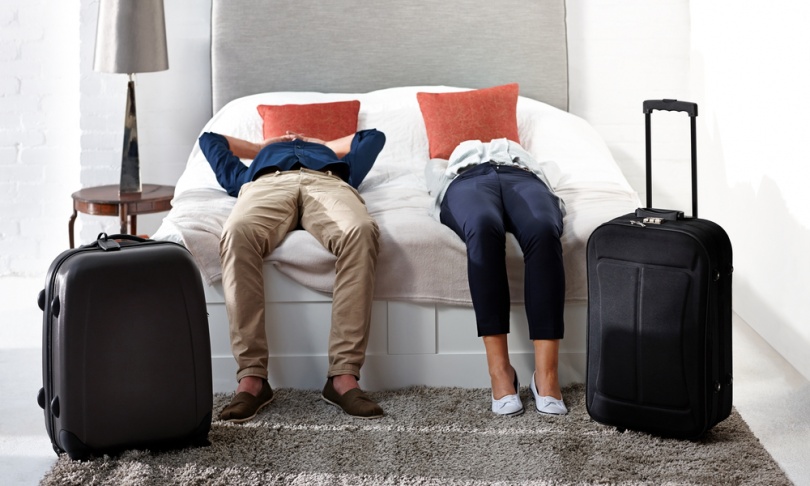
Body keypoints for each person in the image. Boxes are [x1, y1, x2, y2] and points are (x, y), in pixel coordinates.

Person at [198, 127, 386, 422]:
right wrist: (261, 146)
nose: (295, 137)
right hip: (266, 186)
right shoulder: (255, 164)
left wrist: (320, 142)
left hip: (328, 183)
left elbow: (373, 137)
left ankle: (343, 377)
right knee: (236, 233)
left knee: (361, 231)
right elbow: (210, 139)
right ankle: (252, 380)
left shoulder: (338, 163)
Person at [425, 138, 567, 417]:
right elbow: (433, 177)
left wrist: (531, 169)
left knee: (542, 229)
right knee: (482, 226)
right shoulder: (448, 160)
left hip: (523, 178)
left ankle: (547, 375)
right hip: (467, 180)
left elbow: (552, 172)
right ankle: (500, 372)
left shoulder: (523, 156)